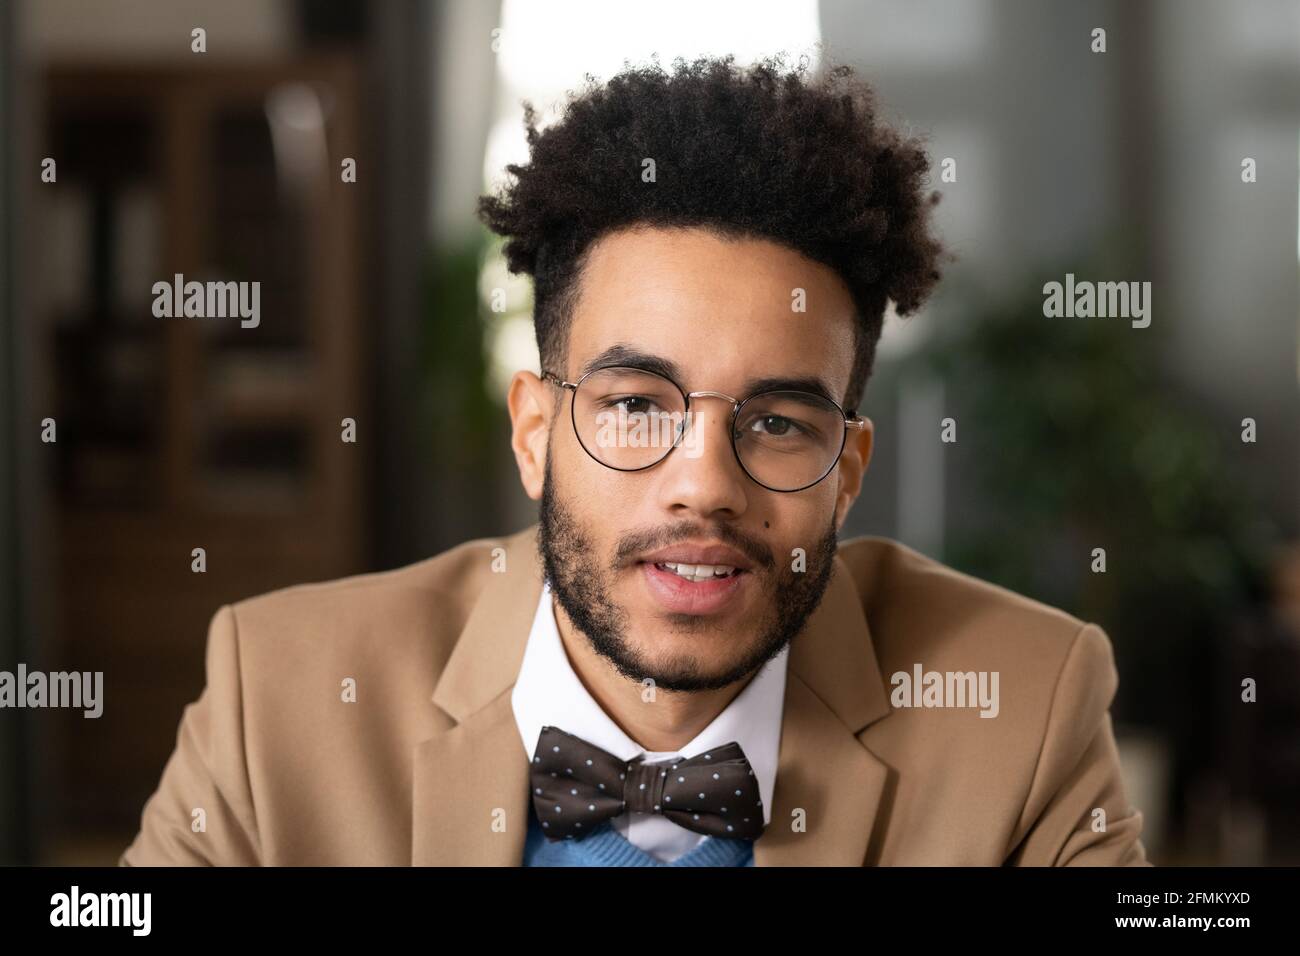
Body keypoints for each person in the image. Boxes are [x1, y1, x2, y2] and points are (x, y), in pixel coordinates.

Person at [121, 54, 1148, 866]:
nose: (703, 483)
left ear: (847, 468)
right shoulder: (280, 698)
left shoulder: (1025, 705)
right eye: (632, 406)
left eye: (779, 423)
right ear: (533, 430)